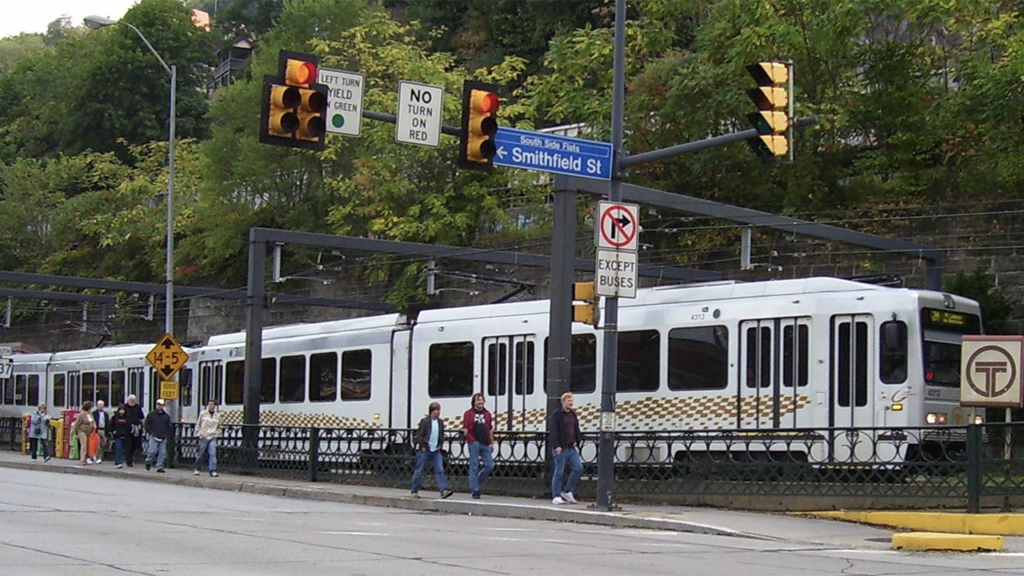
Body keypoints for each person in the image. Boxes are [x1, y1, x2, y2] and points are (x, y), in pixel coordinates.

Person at [410, 402, 453, 499]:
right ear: (431, 411)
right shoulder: (425, 421)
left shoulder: (440, 422)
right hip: (425, 450)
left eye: (439, 410)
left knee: (440, 470)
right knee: (419, 470)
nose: (438, 412)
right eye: (436, 410)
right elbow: (420, 435)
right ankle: (414, 490)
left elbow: (441, 435)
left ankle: (444, 490)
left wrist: (440, 444)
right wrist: (423, 446)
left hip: (435, 450)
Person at [548, 392, 583, 505]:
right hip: (561, 448)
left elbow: (575, 428)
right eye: (569, 401)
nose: (571, 403)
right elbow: (553, 431)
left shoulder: (573, 414)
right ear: (563, 402)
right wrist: (557, 445)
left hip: (571, 447)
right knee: (559, 472)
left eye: (572, 401)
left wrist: (577, 441)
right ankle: (556, 495)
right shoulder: (557, 414)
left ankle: (568, 490)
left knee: (578, 468)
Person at [462, 393, 494, 499]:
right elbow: (465, 428)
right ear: (474, 402)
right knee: (474, 466)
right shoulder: (468, 413)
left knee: (489, 465)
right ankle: (475, 490)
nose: (480, 402)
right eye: (478, 400)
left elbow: (490, 429)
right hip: (474, 442)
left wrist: (491, 443)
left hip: (485, 443)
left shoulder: (487, 414)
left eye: (482, 400)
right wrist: (468, 437)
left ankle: (476, 483)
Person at [194, 400, 221, 477]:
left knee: (212, 454)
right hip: (204, 436)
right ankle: (197, 468)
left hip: (212, 436)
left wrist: (217, 433)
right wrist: (199, 433)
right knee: (200, 454)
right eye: (209, 404)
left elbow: (219, 426)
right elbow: (198, 424)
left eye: (212, 404)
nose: (210, 406)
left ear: (214, 406)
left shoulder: (217, 416)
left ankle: (212, 470)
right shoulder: (203, 414)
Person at [144, 399, 172, 472]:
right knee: (152, 451)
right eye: (158, 405)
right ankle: (148, 461)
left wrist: (166, 434)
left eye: (161, 405)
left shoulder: (166, 416)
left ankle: (159, 467)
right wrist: (151, 432)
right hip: (154, 435)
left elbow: (169, 426)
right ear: (156, 405)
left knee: (162, 453)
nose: (159, 406)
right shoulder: (151, 415)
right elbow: (147, 424)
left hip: (163, 436)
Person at [70, 401, 96, 465]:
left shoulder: (90, 414)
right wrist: (72, 432)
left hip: (89, 432)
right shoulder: (82, 414)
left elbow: (93, 421)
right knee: (84, 445)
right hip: (82, 431)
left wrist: (94, 426)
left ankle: (87, 458)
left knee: (88, 445)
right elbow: (77, 423)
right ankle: (82, 460)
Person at [124, 394, 144, 467]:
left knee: (134, 445)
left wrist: (142, 427)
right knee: (128, 445)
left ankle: (133, 456)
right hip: (127, 429)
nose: (132, 401)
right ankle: (128, 461)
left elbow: (141, 418)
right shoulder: (125, 407)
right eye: (131, 400)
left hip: (136, 429)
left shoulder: (138, 407)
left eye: (134, 400)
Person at [92, 399, 110, 464]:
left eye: (101, 405)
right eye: (99, 405)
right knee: (97, 444)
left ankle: (101, 457)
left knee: (103, 444)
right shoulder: (94, 413)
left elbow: (107, 422)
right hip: (97, 430)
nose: (100, 406)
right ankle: (96, 457)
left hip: (104, 430)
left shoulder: (105, 414)